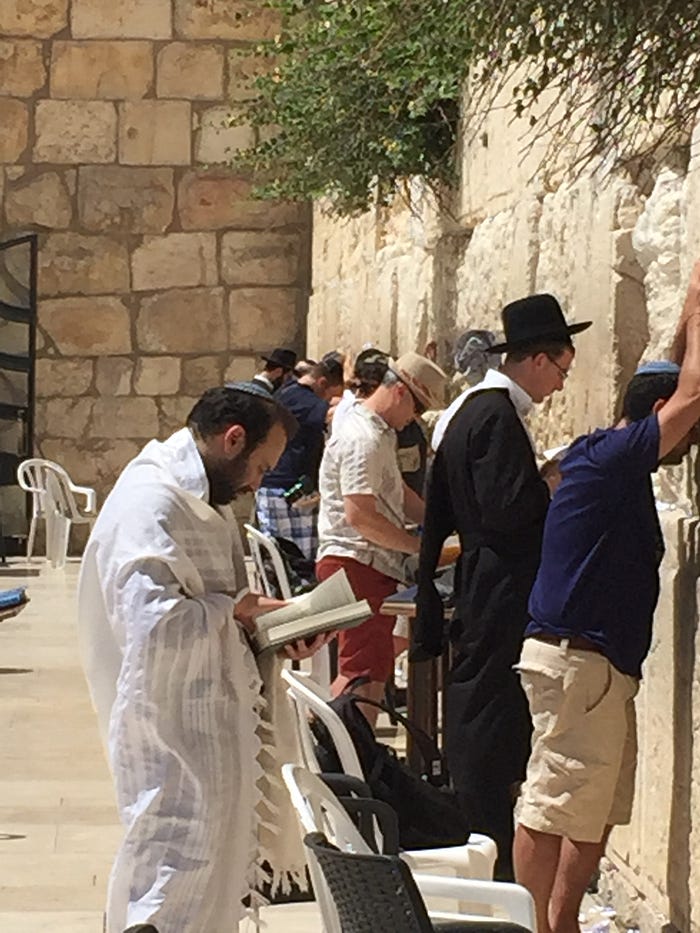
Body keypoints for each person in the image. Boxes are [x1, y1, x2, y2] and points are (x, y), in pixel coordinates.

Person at [77, 384, 328, 933]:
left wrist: (276, 630)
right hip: (169, 737)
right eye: (260, 466)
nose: (257, 482)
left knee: (212, 884)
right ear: (232, 439)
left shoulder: (204, 504)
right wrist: (235, 609)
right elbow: (153, 628)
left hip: (216, 728)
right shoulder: (153, 501)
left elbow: (230, 610)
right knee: (169, 882)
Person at [513, 262, 700, 933]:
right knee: (552, 799)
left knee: (594, 805)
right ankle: (533, 924)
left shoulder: (607, 453)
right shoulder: (616, 456)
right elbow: (691, 392)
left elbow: (669, 377)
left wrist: (683, 315)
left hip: (595, 667)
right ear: (655, 417)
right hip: (577, 664)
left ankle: (559, 920)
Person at [412, 294, 591, 878]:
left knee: (487, 705)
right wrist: (554, 483)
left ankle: (485, 833)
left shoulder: (472, 411)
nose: (561, 386)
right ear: (537, 360)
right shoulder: (494, 415)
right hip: (500, 586)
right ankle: (485, 840)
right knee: (488, 712)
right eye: (562, 370)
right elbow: (506, 509)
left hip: (487, 580)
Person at [316, 352, 446, 721]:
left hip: (368, 562)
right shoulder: (364, 439)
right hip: (358, 560)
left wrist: (437, 521)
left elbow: (396, 493)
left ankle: (357, 749)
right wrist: (419, 547)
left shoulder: (378, 432)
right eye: (417, 408)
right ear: (400, 391)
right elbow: (361, 517)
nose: (414, 419)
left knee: (373, 665)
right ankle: (344, 754)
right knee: (359, 671)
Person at [256, 357, 344, 560]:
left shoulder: (288, 392)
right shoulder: (300, 398)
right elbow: (332, 414)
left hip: (278, 489)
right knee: (299, 560)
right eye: (331, 395)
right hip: (287, 492)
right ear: (322, 384)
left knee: (281, 558)